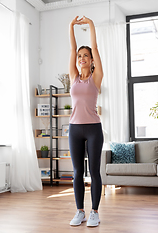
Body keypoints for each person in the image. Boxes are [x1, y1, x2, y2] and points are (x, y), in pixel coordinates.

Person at [68, 16, 104, 227]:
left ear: (91, 60)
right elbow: (71, 50)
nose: (81, 58)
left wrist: (90, 24)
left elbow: (96, 47)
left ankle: (95, 212)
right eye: (80, 55)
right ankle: (80, 211)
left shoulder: (96, 77)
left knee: (94, 172)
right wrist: (70, 26)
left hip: (93, 129)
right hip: (74, 129)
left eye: (86, 55)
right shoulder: (73, 76)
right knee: (77, 173)